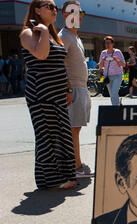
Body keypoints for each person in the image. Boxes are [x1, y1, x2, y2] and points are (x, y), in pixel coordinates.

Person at [20, 0, 76, 189]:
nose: (55, 10)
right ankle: (51, 180)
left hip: (58, 93)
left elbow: (61, 64)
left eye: (55, 7)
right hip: (41, 93)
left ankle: (62, 175)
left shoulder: (54, 36)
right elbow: (41, 55)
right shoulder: (28, 33)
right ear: (37, 10)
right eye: (50, 7)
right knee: (47, 135)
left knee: (61, 135)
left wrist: (67, 88)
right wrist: (43, 30)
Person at [59, 0, 92, 178]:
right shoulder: (64, 35)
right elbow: (59, 63)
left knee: (76, 127)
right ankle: (75, 166)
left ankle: (76, 163)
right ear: (64, 15)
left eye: (80, 13)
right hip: (73, 88)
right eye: (73, 12)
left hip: (81, 87)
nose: (77, 16)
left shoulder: (75, 37)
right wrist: (67, 89)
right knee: (73, 128)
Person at [98, 35, 126, 106]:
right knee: (112, 94)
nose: (107, 45)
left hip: (117, 75)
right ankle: (118, 105)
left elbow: (124, 65)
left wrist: (117, 60)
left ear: (112, 44)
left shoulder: (117, 52)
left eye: (109, 43)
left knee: (114, 93)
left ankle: (115, 109)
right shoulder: (103, 53)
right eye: (106, 43)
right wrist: (103, 60)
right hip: (107, 76)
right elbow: (100, 67)